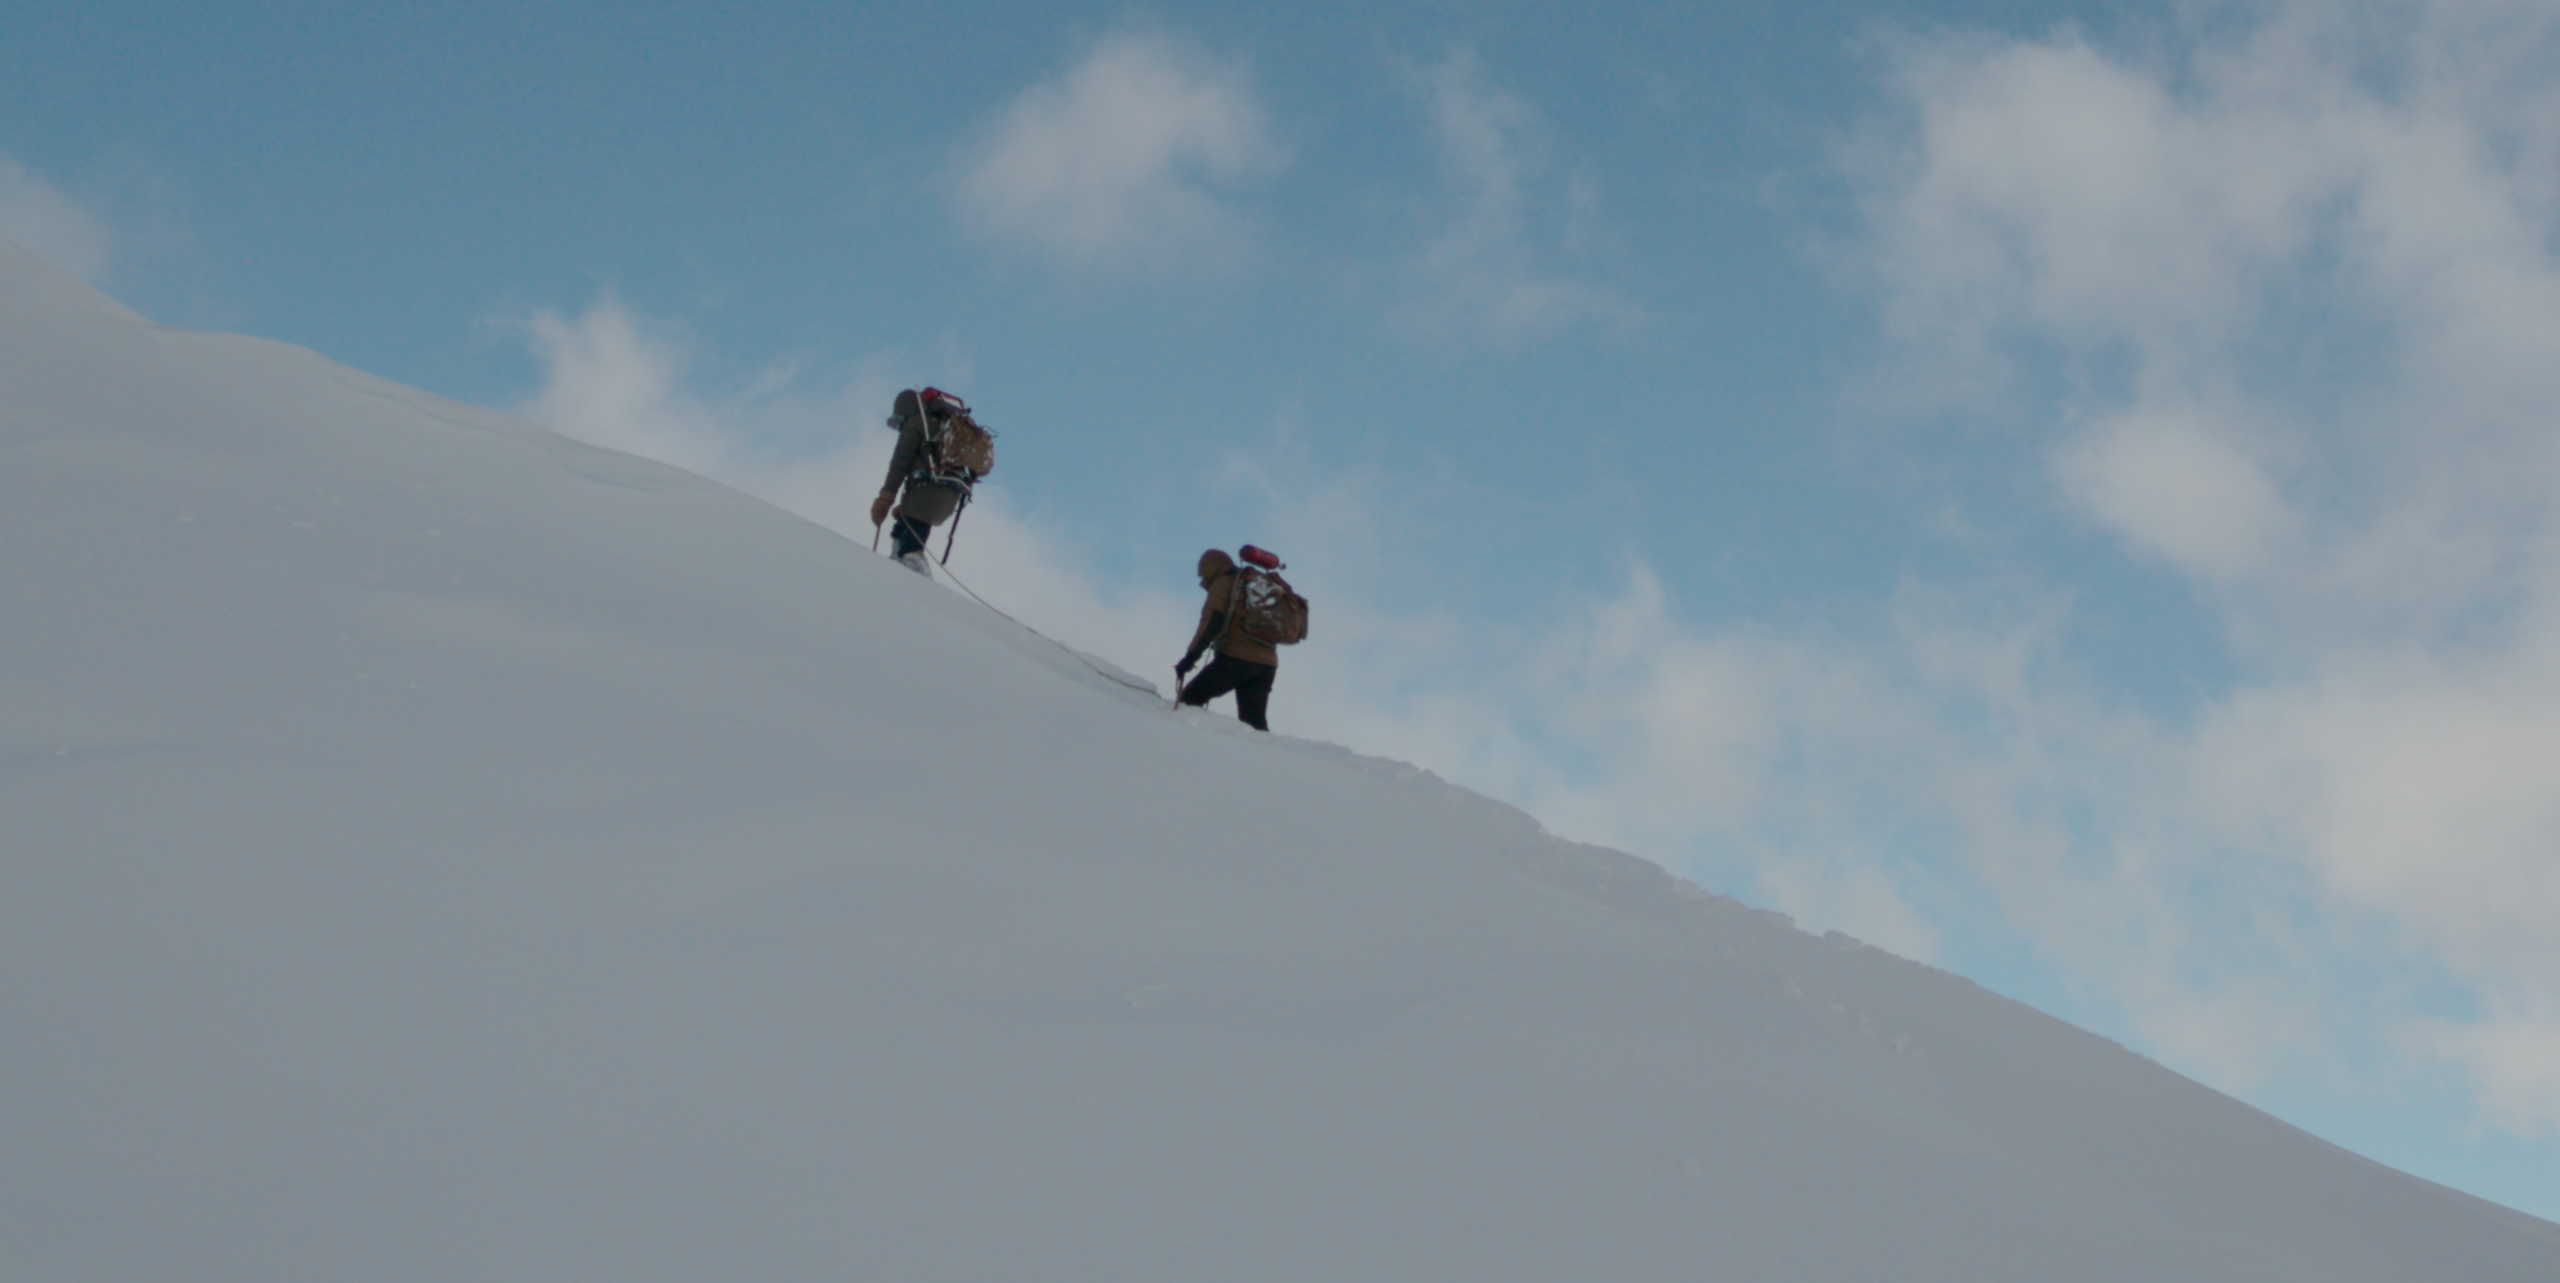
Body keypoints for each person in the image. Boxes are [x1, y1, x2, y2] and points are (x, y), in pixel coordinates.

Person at [869, 388, 970, 575]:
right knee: (902, 531)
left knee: (909, 547)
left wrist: (885, 498)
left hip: (925, 489)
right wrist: (907, 505)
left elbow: (899, 465)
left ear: (905, 411)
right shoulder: (942, 424)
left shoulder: (915, 423)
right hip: (950, 494)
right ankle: (900, 570)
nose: (899, 427)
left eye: (898, 421)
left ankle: (915, 583)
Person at [1176, 548, 1277, 731]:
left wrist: (1189, 659)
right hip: (1267, 664)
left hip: (1237, 657)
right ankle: (1263, 758)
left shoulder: (1224, 582)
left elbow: (1210, 624)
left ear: (1210, 569)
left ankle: (1182, 744)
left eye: (1203, 575)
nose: (1202, 580)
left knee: (1191, 697)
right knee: (1254, 723)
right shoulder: (1250, 584)